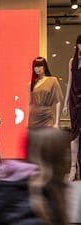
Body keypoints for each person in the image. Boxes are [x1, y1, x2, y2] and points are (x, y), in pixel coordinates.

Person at [0, 127, 69, 225]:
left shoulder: (13, 189)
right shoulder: (32, 201)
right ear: (54, 160)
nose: (68, 158)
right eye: (65, 153)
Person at [63, 34, 81, 182]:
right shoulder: (72, 61)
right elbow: (69, 82)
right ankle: (73, 167)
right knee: (74, 134)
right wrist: (65, 102)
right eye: (79, 44)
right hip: (74, 100)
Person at [28, 56, 63, 128]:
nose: (37, 68)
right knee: (35, 138)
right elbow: (30, 104)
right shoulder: (32, 83)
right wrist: (27, 123)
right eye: (35, 66)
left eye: (40, 66)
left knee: (48, 137)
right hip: (34, 118)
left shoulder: (53, 80)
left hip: (47, 116)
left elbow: (58, 100)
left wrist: (57, 122)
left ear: (44, 67)